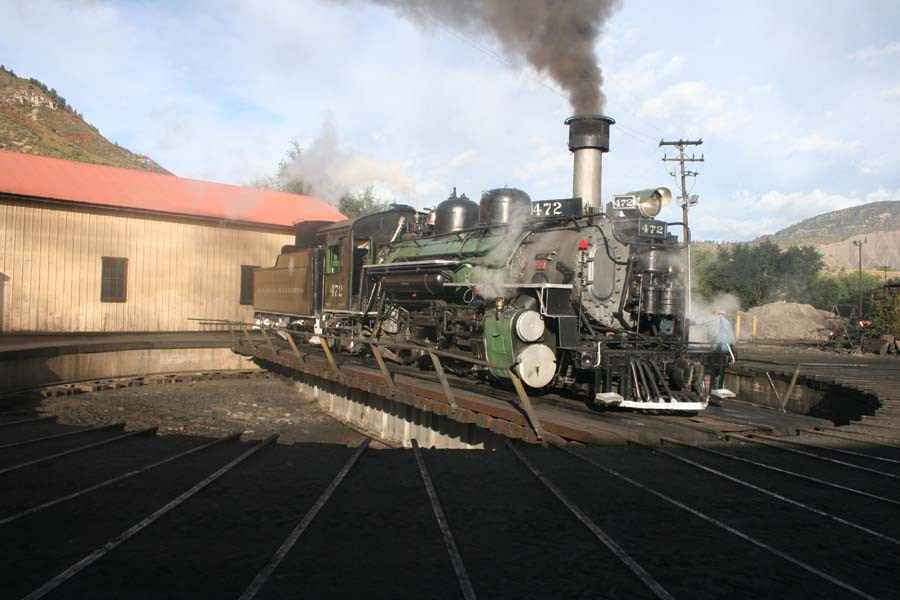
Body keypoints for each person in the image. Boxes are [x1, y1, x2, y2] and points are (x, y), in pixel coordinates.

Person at [704, 308, 736, 389]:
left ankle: (714, 389)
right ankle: (720, 388)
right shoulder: (727, 321)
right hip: (727, 348)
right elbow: (732, 338)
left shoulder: (714, 321)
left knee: (714, 368)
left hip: (718, 347)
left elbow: (711, 335)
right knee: (720, 369)